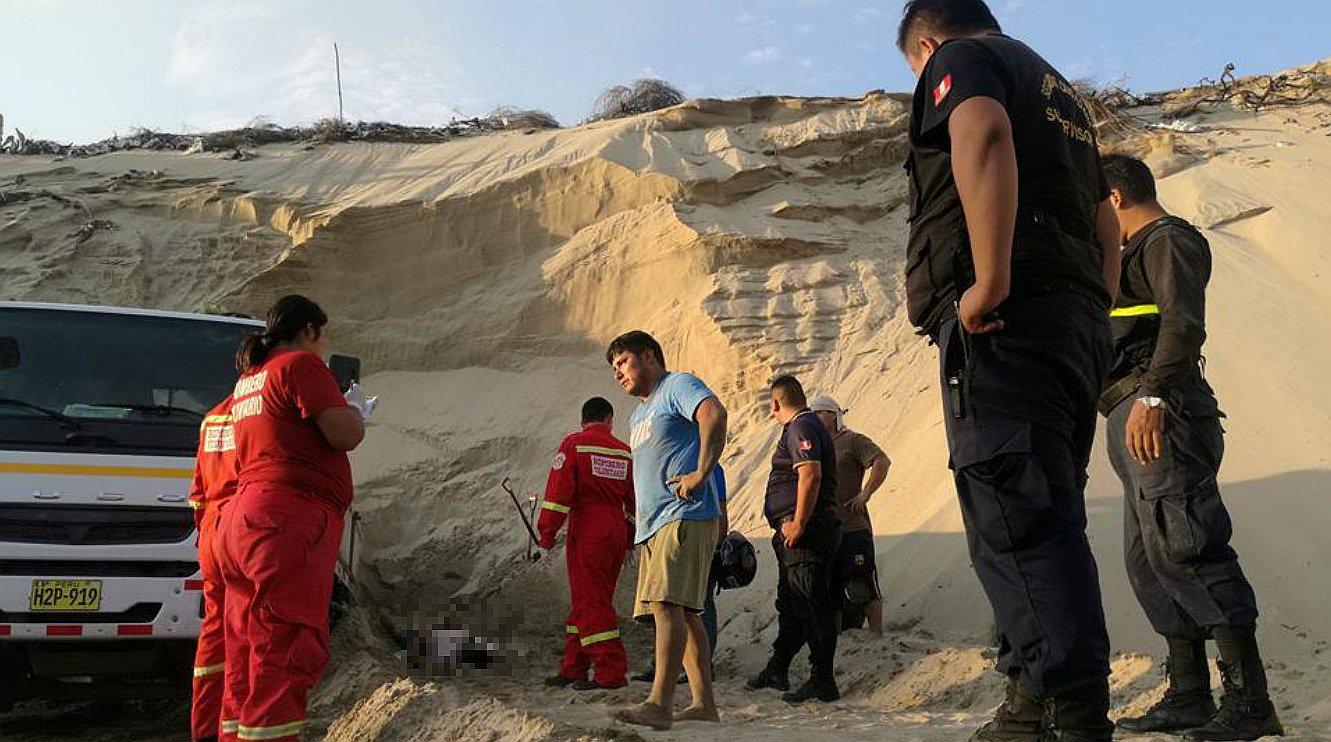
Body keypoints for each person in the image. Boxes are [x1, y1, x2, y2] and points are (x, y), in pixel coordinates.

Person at [895, 1, 1123, 738]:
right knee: (1046, 514)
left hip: (1007, 323)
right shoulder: (1062, 97)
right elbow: (1107, 223)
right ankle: (1030, 702)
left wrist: (988, 283)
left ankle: (1063, 715)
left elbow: (981, 134)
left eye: (913, 67)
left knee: (1014, 519)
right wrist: (1093, 303)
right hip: (1070, 323)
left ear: (926, 42)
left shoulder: (961, 61)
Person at [1100, 155, 1282, 741]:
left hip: (1163, 414)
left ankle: (1251, 702)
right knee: (1148, 558)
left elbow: (1183, 325)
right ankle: (1189, 695)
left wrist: (1153, 399)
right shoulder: (1127, 253)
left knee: (1189, 547)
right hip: (1132, 415)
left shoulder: (1168, 239)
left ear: (1116, 197)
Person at [215, 295, 370, 742]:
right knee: (284, 651)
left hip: (242, 522)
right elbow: (344, 433)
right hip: (284, 524)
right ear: (309, 331)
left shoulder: (249, 380)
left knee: (244, 653)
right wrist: (355, 412)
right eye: (323, 337)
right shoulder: (300, 365)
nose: (323, 347)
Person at [606, 330, 726, 730]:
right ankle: (703, 703)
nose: (617, 373)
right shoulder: (640, 413)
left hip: (682, 513)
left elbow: (713, 413)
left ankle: (660, 703)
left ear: (648, 356)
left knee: (666, 606)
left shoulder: (677, 385)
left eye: (622, 362)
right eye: (613, 368)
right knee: (687, 613)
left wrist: (700, 473)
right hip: (656, 523)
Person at [747, 375, 842, 703]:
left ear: (775, 403)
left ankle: (823, 680)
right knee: (792, 605)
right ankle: (778, 668)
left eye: (771, 408)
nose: (772, 414)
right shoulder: (805, 426)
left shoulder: (802, 426)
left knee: (813, 605)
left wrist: (799, 522)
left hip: (807, 532)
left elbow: (810, 473)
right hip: (798, 533)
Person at [537, 396, 635, 691]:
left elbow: (557, 495)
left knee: (591, 602)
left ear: (583, 421)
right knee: (591, 598)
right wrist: (630, 540)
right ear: (609, 420)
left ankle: (610, 671)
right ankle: (574, 666)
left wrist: (546, 535)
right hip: (615, 530)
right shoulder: (624, 452)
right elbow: (633, 501)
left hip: (588, 528)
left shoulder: (574, 444)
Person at [631, 465, 727, 684]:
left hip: (693, 534)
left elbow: (721, 508)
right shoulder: (682, 464)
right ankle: (664, 665)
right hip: (669, 530)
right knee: (667, 605)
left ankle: (698, 668)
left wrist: (716, 546)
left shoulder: (710, 468)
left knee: (695, 607)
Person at [808, 395, 890, 635]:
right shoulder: (812, 448)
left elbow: (881, 461)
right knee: (830, 587)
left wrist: (865, 494)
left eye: (818, 413)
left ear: (833, 414)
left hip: (853, 526)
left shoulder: (852, 440)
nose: (813, 419)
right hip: (825, 531)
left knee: (862, 580)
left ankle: (878, 634)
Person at [188, 400, 237, 742]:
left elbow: (197, 494)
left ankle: (203, 729)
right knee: (244, 638)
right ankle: (229, 731)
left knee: (213, 636)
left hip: (211, 532)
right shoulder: (260, 414)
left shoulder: (211, 419)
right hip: (242, 530)